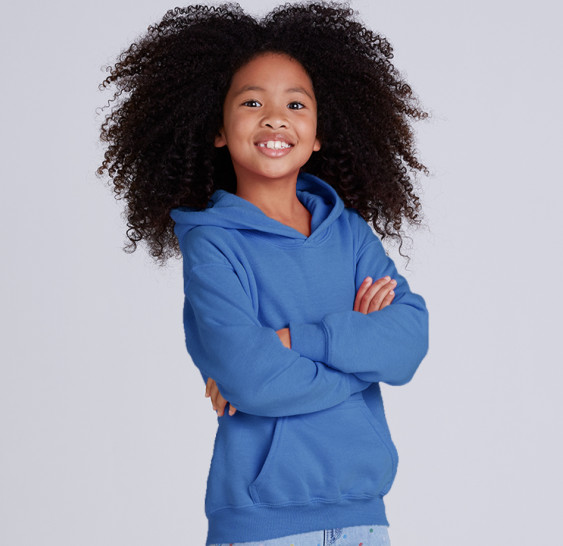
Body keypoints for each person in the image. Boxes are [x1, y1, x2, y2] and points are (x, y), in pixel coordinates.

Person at [97, 2, 430, 545]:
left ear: (319, 133)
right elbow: (252, 378)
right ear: (218, 129)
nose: (275, 118)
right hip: (263, 524)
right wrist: (359, 363)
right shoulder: (213, 243)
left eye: (295, 104)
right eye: (252, 102)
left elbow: (408, 342)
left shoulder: (349, 234)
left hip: (364, 517)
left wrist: (295, 340)